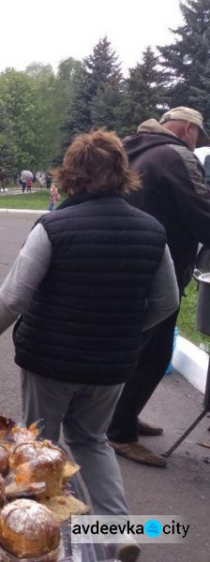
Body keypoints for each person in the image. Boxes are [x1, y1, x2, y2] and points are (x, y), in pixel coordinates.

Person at [0, 131, 178, 559]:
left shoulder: (54, 226)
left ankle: (39, 542)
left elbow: (13, 296)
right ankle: (117, 531)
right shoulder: (153, 232)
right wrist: (129, 335)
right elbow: (167, 302)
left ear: (70, 176)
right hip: (110, 367)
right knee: (93, 441)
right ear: (122, 175)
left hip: (49, 362)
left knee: (36, 447)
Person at [107, 107, 210, 467]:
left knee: (133, 349)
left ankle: (121, 415)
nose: (197, 142)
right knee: (153, 356)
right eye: (198, 134)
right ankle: (119, 432)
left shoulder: (130, 147)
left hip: (119, 262)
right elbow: (203, 212)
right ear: (186, 129)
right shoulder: (176, 155)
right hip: (158, 267)